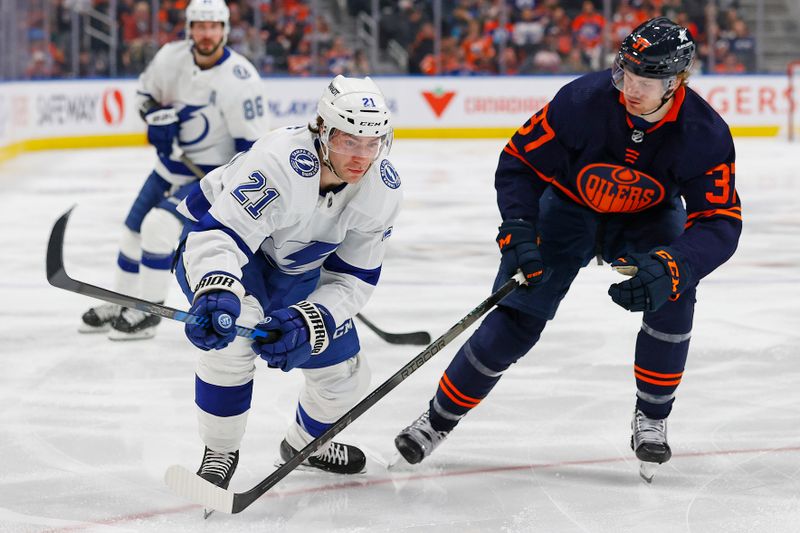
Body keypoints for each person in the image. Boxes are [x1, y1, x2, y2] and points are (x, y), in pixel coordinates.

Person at [394, 17, 742, 482]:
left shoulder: (704, 133)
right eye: (625, 75)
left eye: (645, 80)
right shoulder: (581, 101)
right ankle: (436, 420)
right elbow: (519, 162)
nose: (631, 89)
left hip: (648, 216)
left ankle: (653, 416)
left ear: (677, 81)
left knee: (674, 292)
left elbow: (720, 220)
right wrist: (518, 230)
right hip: (569, 208)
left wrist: (675, 265)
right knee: (517, 312)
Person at [174, 75, 400, 488]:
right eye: (349, 141)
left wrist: (312, 319)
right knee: (234, 336)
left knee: (348, 376)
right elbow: (221, 234)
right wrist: (216, 288)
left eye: (373, 143)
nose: (361, 157)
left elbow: (354, 278)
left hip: (295, 270)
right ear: (322, 130)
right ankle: (220, 453)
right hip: (231, 252)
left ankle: (303, 447)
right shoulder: (281, 161)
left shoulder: (382, 189)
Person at [79, 0, 269, 340]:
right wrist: (154, 118)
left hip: (208, 179)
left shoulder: (241, 80)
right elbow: (144, 96)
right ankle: (121, 301)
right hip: (166, 170)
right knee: (132, 233)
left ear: (224, 30)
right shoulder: (171, 57)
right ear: (190, 28)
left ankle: (146, 312)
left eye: (213, 26)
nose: (206, 33)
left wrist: (234, 193)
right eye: (200, 25)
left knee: (159, 227)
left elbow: (252, 150)